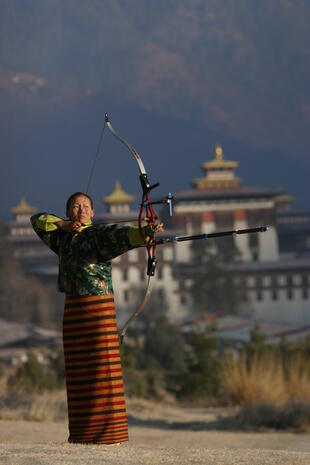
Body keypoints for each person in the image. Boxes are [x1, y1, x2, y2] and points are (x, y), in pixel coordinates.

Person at [31, 192, 162, 445]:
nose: (81, 210)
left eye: (86, 207)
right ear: (68, 212)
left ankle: (109, 435)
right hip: (73, 310)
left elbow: (125, 236)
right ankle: (82, 434)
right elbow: (36, 220)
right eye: (76, 206)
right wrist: (61, 225)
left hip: (98, 309)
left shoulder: (98, 235)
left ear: (92, 213)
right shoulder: (60, 238)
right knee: (78, 372)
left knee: (104, 368)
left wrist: (147, 231)